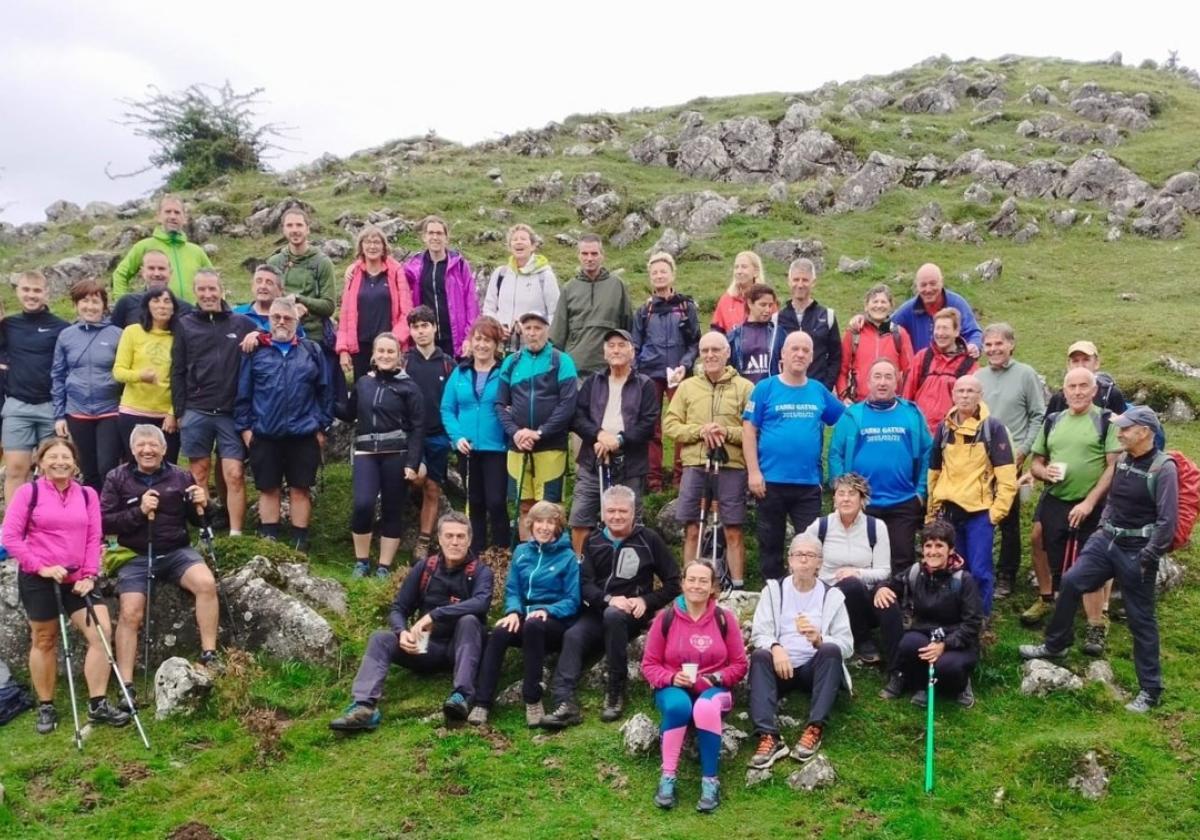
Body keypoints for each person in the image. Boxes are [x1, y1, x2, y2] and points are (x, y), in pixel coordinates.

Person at [1020, 406, 1177, 713]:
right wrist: (1102, 529)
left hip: (1139, 550)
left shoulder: (1164, 468)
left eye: (1126, 428)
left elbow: (1167, 522)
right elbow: (1112, 500)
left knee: (1141, 618)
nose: (1119, 433)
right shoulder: (1122, 459)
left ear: (1145, 432)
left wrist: (1147, 555)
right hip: (1107, 540)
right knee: (1071, 581)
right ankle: (1056, 645)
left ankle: (1151, 689)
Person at [2, 437, 131, 734]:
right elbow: (10, 538)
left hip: (78, 579)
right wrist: (42, 567)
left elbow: (92, 538)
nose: (60, 462)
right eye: (53, 457)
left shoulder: (87, 495)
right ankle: (46, 704)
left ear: (75, 463)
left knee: (101, 632)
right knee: (44, 639)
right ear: (40, 462)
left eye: (66, 457)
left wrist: (89, 575)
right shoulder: (27, 494)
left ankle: (97, 703)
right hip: (39, 577)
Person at [329, 512, 493, 731]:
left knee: (470, 620)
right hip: (426, 647)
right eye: (450, 536)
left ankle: (461, 696)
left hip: (462, 648)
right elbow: (399, 608)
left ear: (469, 540)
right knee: (380, 637)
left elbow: (481, 603)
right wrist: (401, 632)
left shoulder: (481, 572)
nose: (455, 542)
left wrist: (435, 614)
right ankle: (364, 707)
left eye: (461, 536)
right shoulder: (426, 568)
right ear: (440, 538)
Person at [542, 485, 681, 728]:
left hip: (632, 614)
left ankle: (615, 690)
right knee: (574, 635)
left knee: (615, 615)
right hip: (597, 610)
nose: (617, 516)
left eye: (623, 511)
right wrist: (607, 599)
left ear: (633, 512)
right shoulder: (592, 540)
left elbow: (673, 582)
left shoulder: (649, 539)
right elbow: (584, 583)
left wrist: (646, 601)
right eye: (611, 511)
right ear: (603, 513)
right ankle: (565, 703)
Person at [102, 424, 220, 703]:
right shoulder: (116, 478)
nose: (147, 450)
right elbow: (105, 521)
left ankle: (209, 654)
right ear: (132, 449)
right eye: (141, 445)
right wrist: (138, 512)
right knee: (130, 612)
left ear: (164, 449)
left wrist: (206, 503)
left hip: (177, 551)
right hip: (135, 555)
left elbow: (198, 519)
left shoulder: (180, 476)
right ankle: (127, 682)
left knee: (206, 584)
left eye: (153, 444)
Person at [1019, 368, 1120, 651]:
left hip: (1092, 503)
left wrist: (1089, 502)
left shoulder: (1105, 421)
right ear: (1063, 391)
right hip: (1056, 498)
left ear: (1094, 390)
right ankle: (1048, 600)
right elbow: (1036, 462)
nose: (1077, 392)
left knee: (1092, 564)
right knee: (1045, 544)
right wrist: (1044, 472)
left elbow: (1113, 466)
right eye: (1071, 387)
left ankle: (1096, 626)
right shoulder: (1053, 421)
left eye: (1083, 386)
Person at [641, 559, 747, 813]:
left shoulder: (724, 619)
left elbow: (740, 664)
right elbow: (649, 665)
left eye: (703, 581)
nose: (696, 586)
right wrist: (671, 678)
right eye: (692, 580)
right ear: (683, 583)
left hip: (714, 689)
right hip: (673, 687)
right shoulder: (665, 619)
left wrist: (716, 678)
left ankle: (710, 782)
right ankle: (667, 778)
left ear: (713, 588)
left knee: (704, 709)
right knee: (678, 707)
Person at [234, 297, 333, 551]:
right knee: (269, 489)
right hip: (265, 434)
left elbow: (325, 391)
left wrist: (321, 427)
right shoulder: (255, 352)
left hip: (303, 434)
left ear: (296, 322)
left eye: (287, 318)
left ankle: (300, 543)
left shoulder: (311, 350)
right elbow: (243, 393)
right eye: (276, 317)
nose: (281, 322)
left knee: (301, 488)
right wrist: (246, 431)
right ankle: (270, 541)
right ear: (269, 320)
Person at [743, 331, 844, 580]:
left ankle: (807, 593)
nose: (800, 354)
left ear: (811, 357)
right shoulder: (764, 389)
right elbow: (748, 430)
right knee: (770, 545)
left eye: (805, 350)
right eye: (794, 349)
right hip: (770, 482)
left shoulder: (819, 391)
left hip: (808, 484)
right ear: (783, 354)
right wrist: (754, 472)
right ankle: (773, 596)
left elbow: (845, 421)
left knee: (809, 546)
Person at [746, 534, 853, 769]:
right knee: (760, 655)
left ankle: (814, 728)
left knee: (831, 649)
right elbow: (759, 633)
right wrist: (775, 647)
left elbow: (847, 645)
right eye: (798, 555)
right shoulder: (774, 591)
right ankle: (768, 736)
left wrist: (820, 639)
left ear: (819, 563)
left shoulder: (831, 595)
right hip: (780, 666)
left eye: (810, 555)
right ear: (790, 560)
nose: (804, 560)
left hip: (813, 669)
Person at [468, 502, 580, 727]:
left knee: (533, 625)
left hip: (553, 622)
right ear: (531, 524)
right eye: (540, 521)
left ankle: (533, 699)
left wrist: (546, 610)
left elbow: (572, 600)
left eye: (551, 522)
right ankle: (482, 703)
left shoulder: (568, 556)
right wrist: (512, 611)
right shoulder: (521, 552)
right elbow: (513, 590)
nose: (545, 527)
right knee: (499, 631)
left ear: (558, 527)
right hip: (525, 615)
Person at [829, 358, 932, 583]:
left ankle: (899, 607)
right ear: (868, 381)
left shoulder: (911, 413)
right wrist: (842, 493)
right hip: (863, 503)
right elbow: (835, 453)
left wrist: (921, 492)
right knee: (863, 560)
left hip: (903, 501)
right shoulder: (852, 415)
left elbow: (928, 453)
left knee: (902, 559)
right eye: (877, 377)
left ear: (898, 381)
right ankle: (867, 609)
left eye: (888, 377)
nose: (882, 382)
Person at [171, 270, 256, 536]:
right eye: (202, 290)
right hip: (196, 409)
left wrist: (259, 336)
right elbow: (177, 370)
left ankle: (235, 532)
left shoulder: (241, 323)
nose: (208, 294)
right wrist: (179, 411)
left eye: (212, 289)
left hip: (231, 412)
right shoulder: (184, 325)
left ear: (222, 290)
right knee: (199, 473)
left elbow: (267, 341)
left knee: (234, 473)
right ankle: (204, 528)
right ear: (195, 293)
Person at [663, 332, 753, 584]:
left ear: (727, 352)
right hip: (695, 464)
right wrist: (699, 431)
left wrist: (726, 432)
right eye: (705, 351)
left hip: (731, 465)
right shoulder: (688, 386)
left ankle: (737, 586)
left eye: (716, 350)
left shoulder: (745, 387)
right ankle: (690, 583)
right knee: (691, 528)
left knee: (733, 529)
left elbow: (754, 428)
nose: (710, 355)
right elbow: (670, 424)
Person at [925, 375, 1017, 615]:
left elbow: (1007, 478)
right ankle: (952, 617)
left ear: (980, 396)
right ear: (953, 395)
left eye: (971, 391)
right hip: (948, 512)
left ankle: (980, 620)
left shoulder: (992, 428)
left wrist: (996, 514)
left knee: (980, 572)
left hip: (979, 514)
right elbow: (934, 472)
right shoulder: (944, 429)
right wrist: (931, 511)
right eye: (960, 391)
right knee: (950, 569)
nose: (965, 395)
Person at [567, 328, 658, 555]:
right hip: (593, 458)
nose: (616, 350)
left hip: (630, 463)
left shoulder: (644, 384)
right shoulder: (593, 382)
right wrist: (599, 435)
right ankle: (582, 567)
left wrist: (618, 440)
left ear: (632, 351)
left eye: (621, 345)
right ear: (604, 353)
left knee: (628, 519)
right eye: (611, 346)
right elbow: (578, 417)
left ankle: (627, 568)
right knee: (580, 517)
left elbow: (648, 424)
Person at [875, 520, 984, 707]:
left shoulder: (964, 580)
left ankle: (960, 685)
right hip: (923, 634)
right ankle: (919, 684)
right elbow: (892, 584)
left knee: (947, 667)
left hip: (956, 640)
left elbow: (972, 624)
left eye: (939, 545)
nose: (933, 551)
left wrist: (945, 645)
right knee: (908, 645)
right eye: (928, 545)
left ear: (950, 550)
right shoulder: (916, 572)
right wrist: (881, 588)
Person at [343, 333, 424, 578]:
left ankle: (384, 566)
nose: (385, 356)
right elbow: (348, 413)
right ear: (374, 355)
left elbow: (418, 427)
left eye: (391, 352)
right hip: (366, 452)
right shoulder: (363, 383)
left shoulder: (409, 387)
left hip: (396, 453)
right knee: (363, 505)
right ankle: (362, 561)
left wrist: (413, 462)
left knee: (392, 509)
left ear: (399, 356)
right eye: (381, 351)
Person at [975, 323, 1046, 598]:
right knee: (980, 514)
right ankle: (982, 570)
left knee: (1009, 518)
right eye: (988, 345)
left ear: (1011, 345)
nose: (993, 350)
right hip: (981, 461)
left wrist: (1024, 451)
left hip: (1011, 458)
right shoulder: (979, 376)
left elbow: (1038, 415)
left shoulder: (1026, 374)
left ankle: (1006, 574)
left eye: (998, 344)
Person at [495, 311, 579, 539]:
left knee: (550, 508)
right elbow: (500, 404)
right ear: (522, 331)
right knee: (524, 507)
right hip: (518, 446)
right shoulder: (511, 363)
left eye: (538, 328)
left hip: (551, 445)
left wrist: (540, 432)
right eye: (528, 328)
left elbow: (568, 405)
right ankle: (527, 557)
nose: (533, 333)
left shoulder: (561, 361)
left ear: (547, 330)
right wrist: (516, 433)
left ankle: (555, 557)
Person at [803, 474, 891, 663]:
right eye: (840, 493)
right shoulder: (821, 526)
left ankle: (869, 643)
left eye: (852, 493)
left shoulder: (876, 527)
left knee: (855, 585)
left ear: (862, 499)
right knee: (848, 585)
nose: (845, 498)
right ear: (834, 499)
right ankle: (856, 640)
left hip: (864, 596)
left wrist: (857, 572)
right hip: (827, 595)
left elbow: (885, 570)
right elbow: (800, 553)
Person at [631, 251, 699, 492]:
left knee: (681, 425)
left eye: (663, 271)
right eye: (655, 272)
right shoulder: (643, 311)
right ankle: (654, 480)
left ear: (672, 274)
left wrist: (686, 364)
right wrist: (637, 373)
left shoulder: (686, 306)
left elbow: (694, 342)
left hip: (679, 375)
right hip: (650, 375)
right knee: (652, 426)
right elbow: (635, 346)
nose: (659, 276)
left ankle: (681, 478)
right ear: (650, 277)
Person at [441, 316, 510, 553]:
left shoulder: (505, 372)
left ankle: (503, 552)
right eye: (478, 339)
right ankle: (477, 553)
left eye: (488, 340)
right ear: (471, 342)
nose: (482, 345)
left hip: (497, 448)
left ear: (496, 344)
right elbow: (447, 409)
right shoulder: (459, 373)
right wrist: (456, 437)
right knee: (475, 502)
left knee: (496, 502)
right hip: (467, 448)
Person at [1, 271, 70, 504]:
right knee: (15, 470)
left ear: (47, 293)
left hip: (50, 407)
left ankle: (45, 525)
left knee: (52, 471)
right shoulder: (8, 325)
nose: (31, 295)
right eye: (26, 290)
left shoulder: (62, 327)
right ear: (18, 292)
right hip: (17, 406)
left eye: (37, 290)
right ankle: (11, 531)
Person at [51, 280, 123, 492]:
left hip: (110, 410)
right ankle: (93, 517)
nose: (90, 307)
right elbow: (58, 375)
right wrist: (59, 415)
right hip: (77, 411)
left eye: (95, 301)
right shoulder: (66, 335)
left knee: (107, 466)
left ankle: (110, 514)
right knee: (88, 468)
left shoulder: (117, 334)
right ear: (75, 305)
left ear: (104, 305)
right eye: (84, 301)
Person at [404, 306, 456, 561]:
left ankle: (423, 541)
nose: (421, 331)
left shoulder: (448, 363)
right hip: (410, 434)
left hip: (438, 434)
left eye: (425, 325)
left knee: (433, 488)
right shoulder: (404, 361)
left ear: (435, 327)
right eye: (415, 327)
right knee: (417, 478)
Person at [113, 287, 181, 464]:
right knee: (134, 465)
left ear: (174, 308)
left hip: (166, 415)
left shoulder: (180, 336)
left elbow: (183, 377)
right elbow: (118, 371)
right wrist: (140, 376)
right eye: (156, 301)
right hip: (133, 411)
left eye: (167, 301)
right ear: (147, 306)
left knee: (167, 466)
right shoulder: (132, 332)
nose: (162, 306)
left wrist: (173, 412)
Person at [336, 225, 413, 382]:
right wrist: (343, 349)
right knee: (363, 394)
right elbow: (345, 314)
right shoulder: (354, 274)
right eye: (368, 242)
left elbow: (407, 312)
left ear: (384, 247)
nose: (372, 246)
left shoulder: (396, 272)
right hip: (361, 348)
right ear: (361, 246)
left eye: (377, 242)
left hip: (389, 348)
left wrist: (395, 340)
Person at [550, 235, 632, 376]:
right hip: (575, 368)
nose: (589, 258)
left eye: (594, 253)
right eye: (585, 254)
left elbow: (628, 328)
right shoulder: (569, 288)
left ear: (602, 256)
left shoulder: (617, 286)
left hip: (610, 368)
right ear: (578, 256)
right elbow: (558, 334)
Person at [111, 195, 212, 304]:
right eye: (168, 212)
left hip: (192, 317)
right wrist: (123, 306)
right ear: (158, 216)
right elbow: (120, 274)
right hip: (157, 315)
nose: (173, 216)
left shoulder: (197, 251)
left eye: (177, 212)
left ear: (184, 219)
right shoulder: (144, 246)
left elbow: (214, 282)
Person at [404, 215, 480, 357]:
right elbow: (394, 278)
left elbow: (471, 303)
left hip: (454, 338)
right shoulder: (414, 266)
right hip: (426, 338)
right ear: (424, 237)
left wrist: (469, 337)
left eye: (439, 233)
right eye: (431, 233)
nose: (435, 237)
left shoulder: (459, 264)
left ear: (446, 237)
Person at [265, 207, 336, 346]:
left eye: (299, 225)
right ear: (283, 230)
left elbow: (329, 306)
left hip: (313, 339)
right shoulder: (274, 262)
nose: (295, 230)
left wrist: (299, 299)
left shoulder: (322, 263)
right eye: (289, 225)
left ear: (307, 229)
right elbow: (267, 300)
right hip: (279, 335)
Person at [483, 223, 559, 350]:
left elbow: (555, 313)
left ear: (533, 245)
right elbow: (489, 308)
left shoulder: (545, 276)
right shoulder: (500, 274)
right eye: (515, 239)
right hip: (501, 346)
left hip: (533, 348)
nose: (519, 242)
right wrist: (497, 327)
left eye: (523, 239)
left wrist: (533, 331)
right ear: (509, 246)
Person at [903, 307, 978, 434]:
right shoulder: (922, 357)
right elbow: (907, 396)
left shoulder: (969, 364)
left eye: (945, 328)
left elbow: (973, 403)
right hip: (920, 432)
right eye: (937, 328)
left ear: (956, 331)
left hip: (951, 434)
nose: (940, 333)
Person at [835, 283, 914, 403]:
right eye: (875, 301)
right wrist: (843, 395)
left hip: (892, 404)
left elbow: (910, 372)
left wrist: (904, 401)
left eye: (883, 302)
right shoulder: (854, 333)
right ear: (866, 306)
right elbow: (842, 369)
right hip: (860, 403)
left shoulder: (900, 334)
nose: (879, 305)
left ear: (891, 306)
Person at [771, 258, 841, 391]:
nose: (800, 285)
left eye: (805, 280)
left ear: (813, 282)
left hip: (817, 389)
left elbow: (836, 357)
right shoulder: (777, 319)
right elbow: (773, 357)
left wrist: (825, 387)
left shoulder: (828, 316)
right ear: (789, 281)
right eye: (796, 279)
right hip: (785, 390)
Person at [888, 263, 983, 355]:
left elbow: (974, 332)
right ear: (916, 286)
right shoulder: (908, 309)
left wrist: (974, 345)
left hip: (954, 368)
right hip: (920, 368)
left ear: (941, 282)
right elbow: (886, 328)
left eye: (933, 283)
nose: (928, 289)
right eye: (923, 285)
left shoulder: (957, 304)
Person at [109, 249, 193, 329]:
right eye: (151, 268)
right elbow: (114, 336)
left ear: (170, 273)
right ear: (143, 272)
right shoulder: (127, 303)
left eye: (161, 268)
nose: (156, 273)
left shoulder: (185, 309)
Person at [1046, 340, 1127, 415]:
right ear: (1068, 365)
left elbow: (1126, 427)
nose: (1080, 365)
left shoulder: (1110, 394)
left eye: (1086, 360)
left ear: (1096, 363)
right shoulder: (1058, 398)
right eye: (1075, 361)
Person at [727, 283, 779, 385]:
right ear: (750, 303)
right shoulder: (735, 335)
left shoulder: (778, 333)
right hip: (744, 394)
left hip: (771, 394)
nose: (768, 310)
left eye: (770, 305)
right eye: (763, 305)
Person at [233, 265, 302, 335]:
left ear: (280, 291)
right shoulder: (236, 314)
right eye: (258, 281)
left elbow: (297, 343)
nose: (263, 286)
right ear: (252, 286)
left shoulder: (288, 318)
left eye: (269, 283)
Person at [710, 251, 763, 334]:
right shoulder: (726, 300)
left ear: (756, 272)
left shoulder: (766, 298)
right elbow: (716, 332)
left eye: (744, 267)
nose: (739, 271)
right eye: (736, 267)